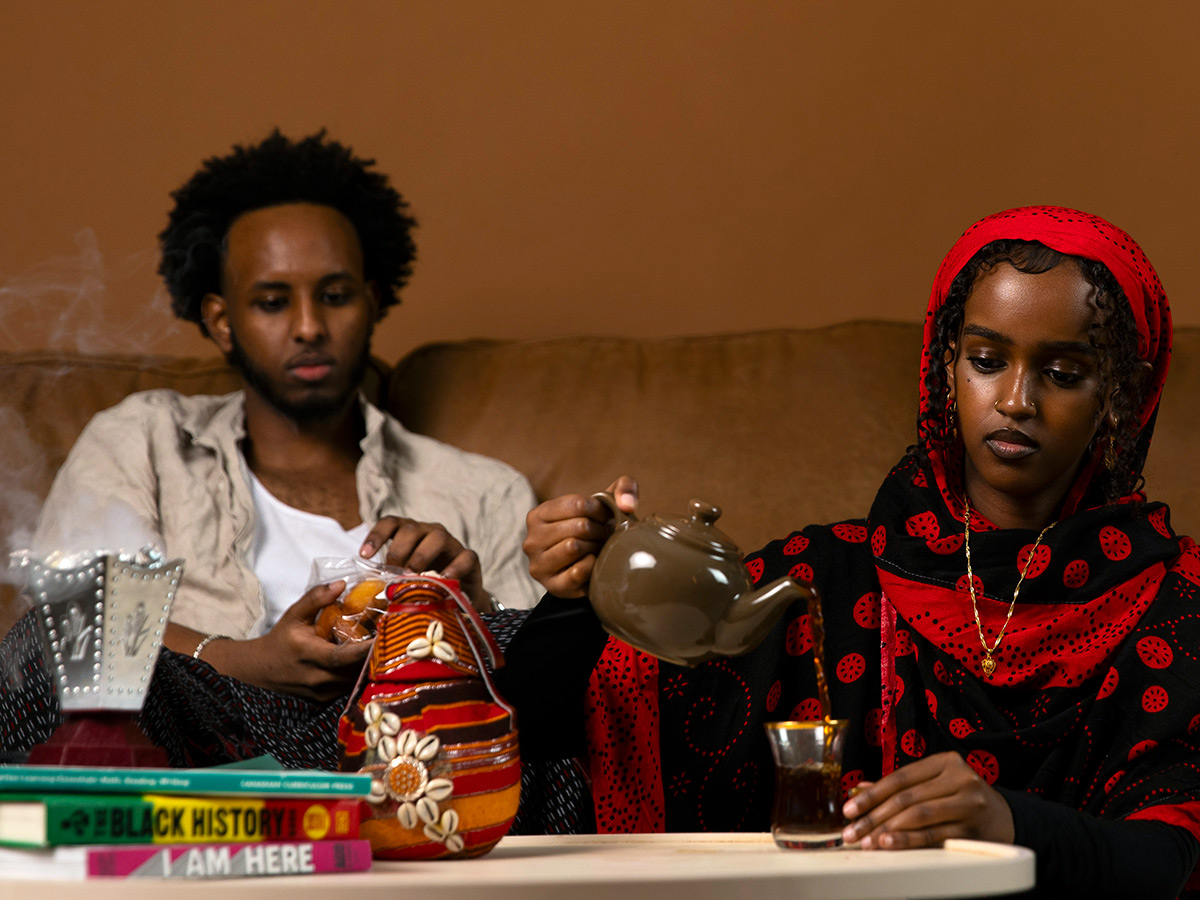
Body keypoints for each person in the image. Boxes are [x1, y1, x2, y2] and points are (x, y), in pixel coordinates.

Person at [509, 207, 1200, 896]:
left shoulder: (1176, 604)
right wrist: (578, 593)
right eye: (987, 361)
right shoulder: (822, 578)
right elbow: (535, 731)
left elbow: (1173, 855)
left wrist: (1010, 825)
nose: (1016, 400)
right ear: (947, 364)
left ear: (1121, 392)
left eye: (1064, 373)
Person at [31, 130, 542, 702]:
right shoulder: (146, 441)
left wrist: (475, 613)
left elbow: (542, 694)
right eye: (273, 302)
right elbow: (66, 630)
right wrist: (244, 662)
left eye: (335, 295)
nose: (308, 327)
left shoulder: (485, 493)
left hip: (410, 766)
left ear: (372, 300)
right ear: (222, 320)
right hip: (196, 764)